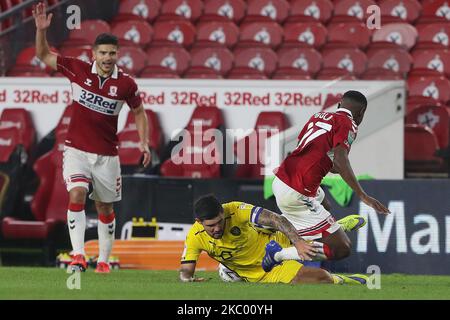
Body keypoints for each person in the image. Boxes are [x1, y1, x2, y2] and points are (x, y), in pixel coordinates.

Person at [33, 2, 151, 273]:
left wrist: (144, 142)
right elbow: (43, 55)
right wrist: (41, 31)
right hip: (76, 151)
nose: (108, 57)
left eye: (112, 53)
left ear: (117, 54)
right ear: (94, 54)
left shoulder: (126, 84)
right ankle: (77, 255)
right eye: (103, 53)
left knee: (104, 206)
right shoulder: (77, 69)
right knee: (76, 194)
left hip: (107, 155)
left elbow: (139, 112)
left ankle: (104, 261)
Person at [265, 90, 390, 271]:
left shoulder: (318, 116)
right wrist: (362, 195)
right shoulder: (349, 124)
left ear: (339, 104)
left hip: (282, 179)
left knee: (326, 205)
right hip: (298, 191)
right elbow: (340, 159)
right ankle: (277, 254)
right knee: (341, 249)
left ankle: (328, 227)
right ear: (361, 113)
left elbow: (309, 150)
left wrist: (335, 167)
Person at [179, 194, 367, 285]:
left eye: (220, 222)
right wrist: (189, 280)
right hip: (264, 273)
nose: (217, 228)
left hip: (274, 242)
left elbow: (277, 220)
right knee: (318, 279)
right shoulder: (194, 237)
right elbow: (186, 272)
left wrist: (298, 242)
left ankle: (335, 228)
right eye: (211, 226)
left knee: (278, 226)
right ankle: (344, 280)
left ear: (223, 211)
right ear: (199, 222)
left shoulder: (235, 209)